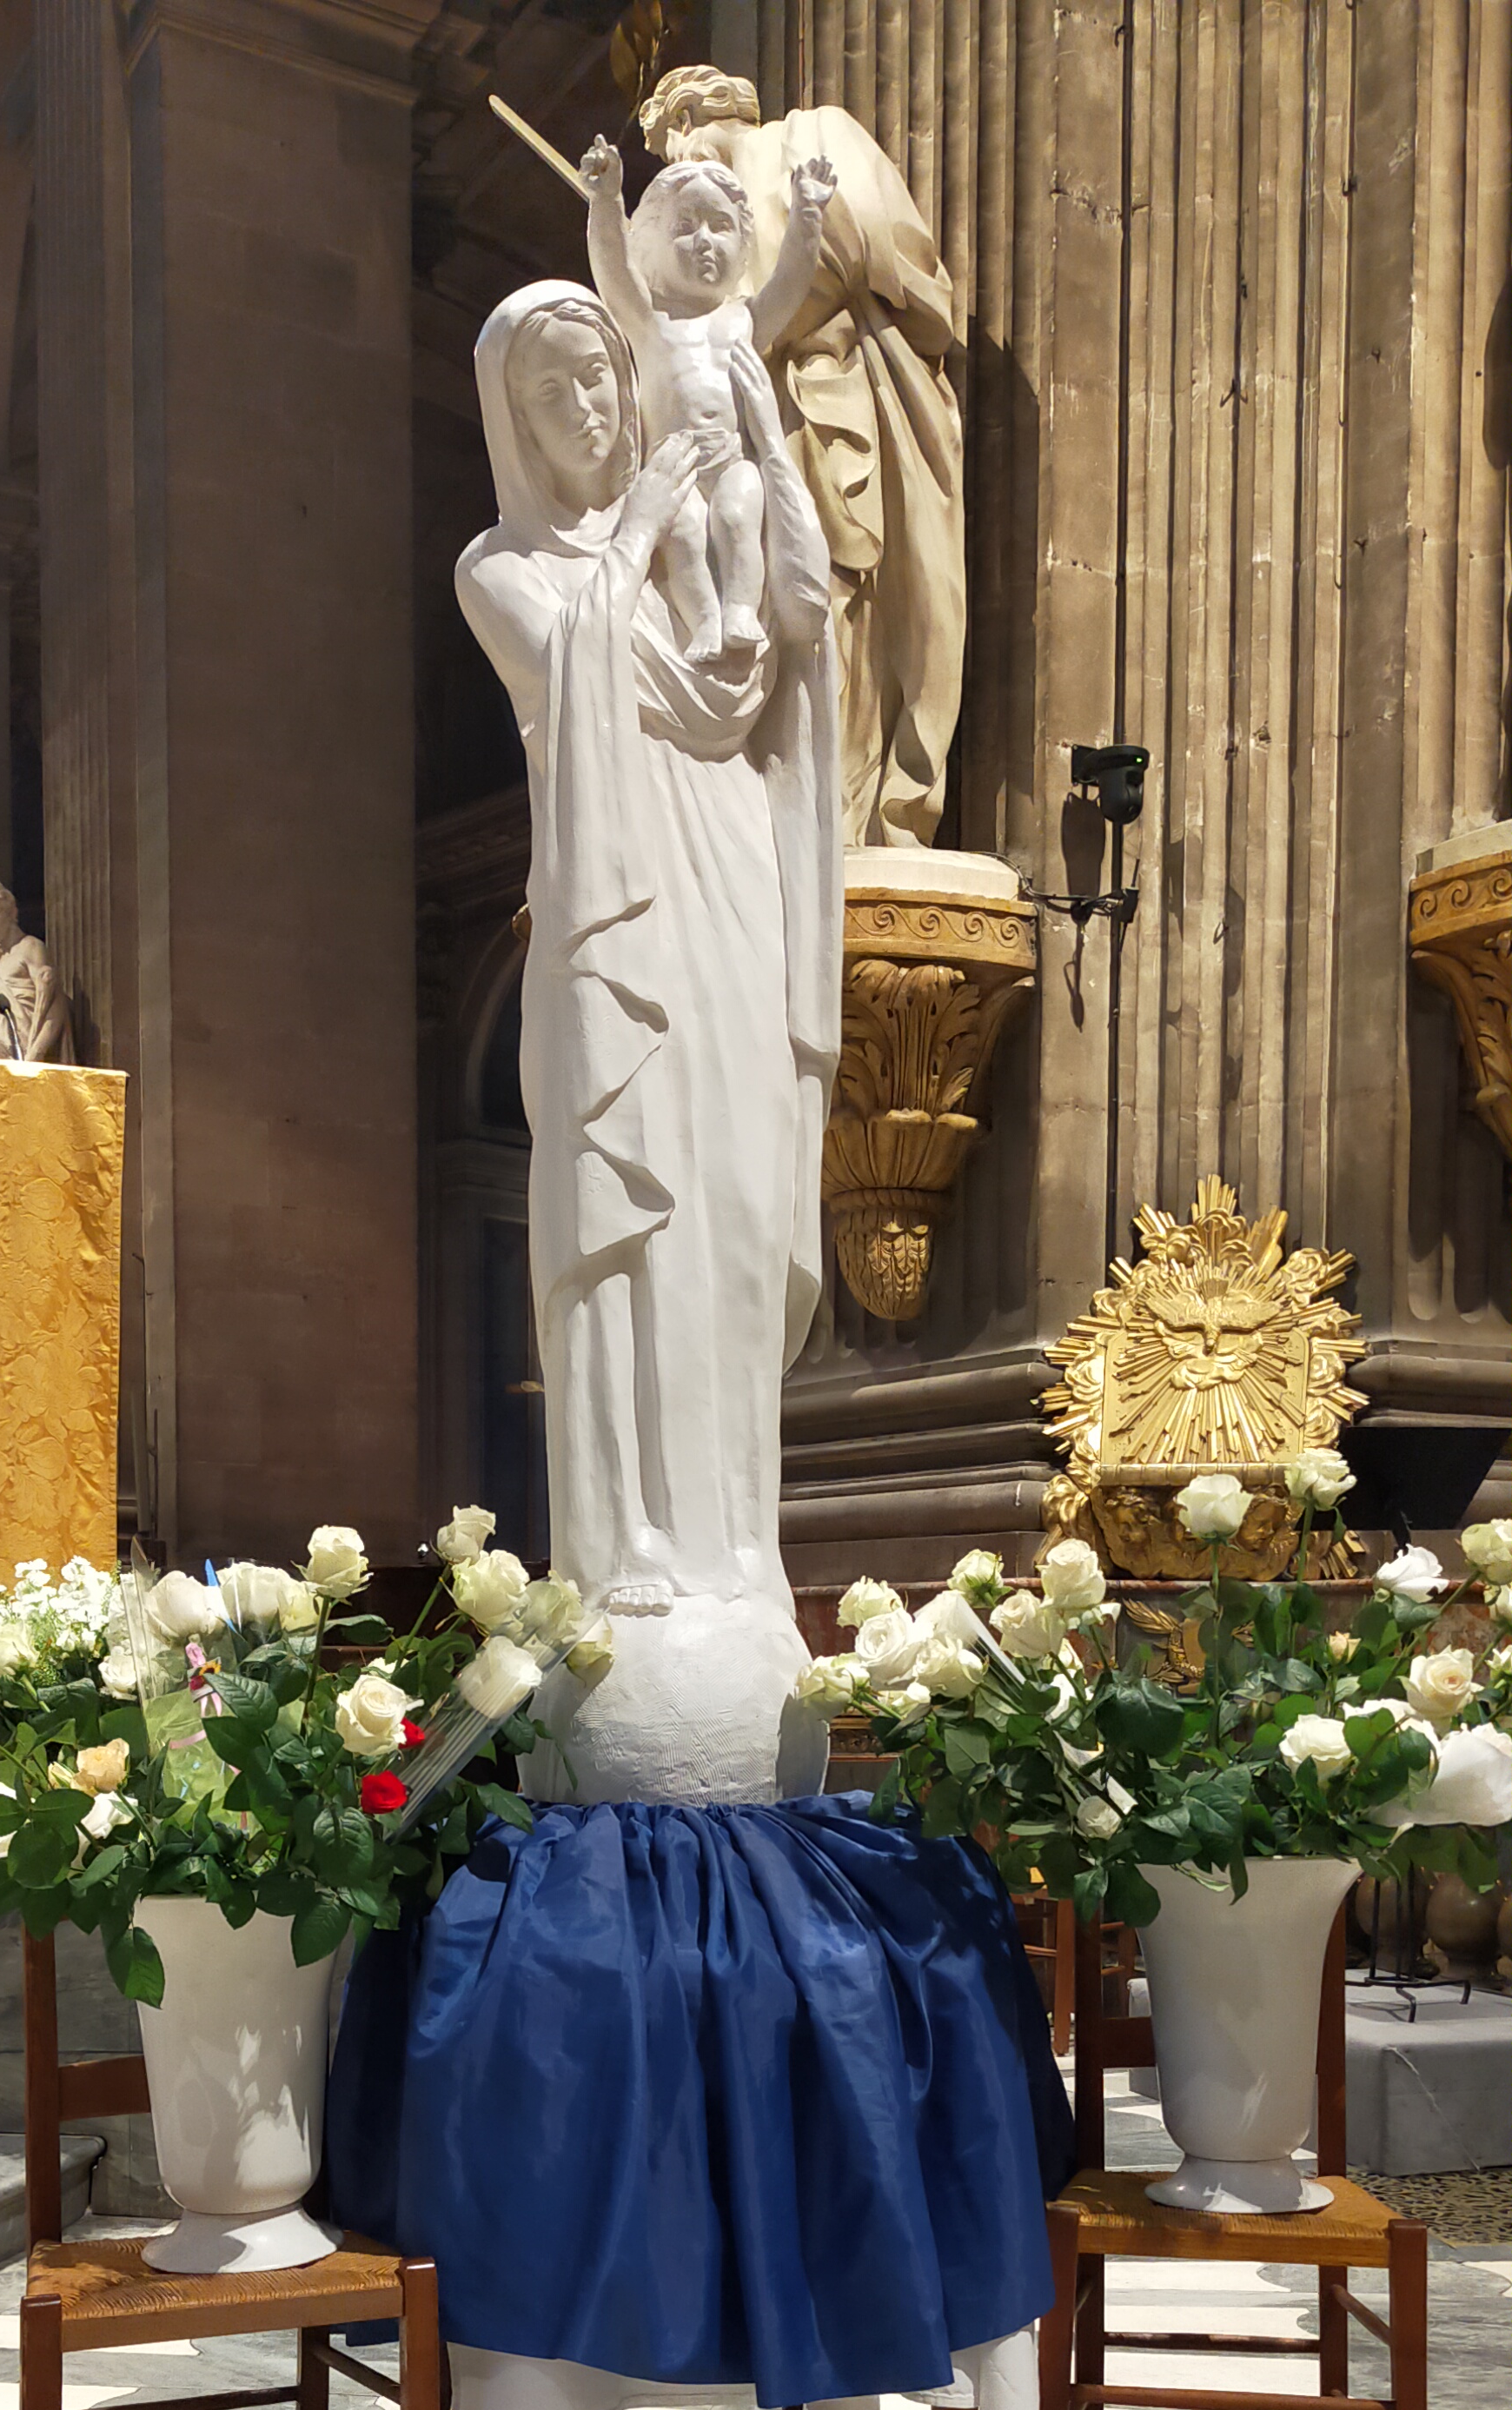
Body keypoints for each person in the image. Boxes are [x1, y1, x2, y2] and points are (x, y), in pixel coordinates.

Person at [454, 281, 840, 1792]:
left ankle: (739, 1544)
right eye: (554, 392)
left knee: (734, 1198)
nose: (592, 408)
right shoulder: (504, 566)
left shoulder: (695, 542)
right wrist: (640, 529)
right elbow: (574, 666)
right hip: (615, 926)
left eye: (601, 376)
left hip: (731, 872)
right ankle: (634, 1552)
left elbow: (790, 648)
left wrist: (759, 451)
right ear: (516, 423)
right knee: (639, 1207)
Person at [640, 62, 965, 847]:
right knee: (784, 611)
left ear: (687, 119)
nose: (676, 169)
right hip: (756, 431)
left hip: (842, 398)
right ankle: (805, 814)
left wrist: (762, 288)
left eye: (670, 149)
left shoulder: (812, 136)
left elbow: (885, 259)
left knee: (855, 603)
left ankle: (857, 815)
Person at [580, 131, 835, 665]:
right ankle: (703, 621)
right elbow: (615, 274)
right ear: (653, 243)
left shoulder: (743, 320)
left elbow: (790, 282)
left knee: (741, 513)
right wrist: (606, 202)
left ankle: (740, 609)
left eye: (720, 226)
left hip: (733, 460)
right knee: (684, 532)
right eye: (685, 227)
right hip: (675, 470)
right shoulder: (651, 322)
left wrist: (808, 213)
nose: (704, 241)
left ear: (742, 243)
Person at [0, 882, 76, 1063]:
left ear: (12, 913)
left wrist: (35, 1054)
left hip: (22, 1049)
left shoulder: (31, 947)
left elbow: (55, 1004)